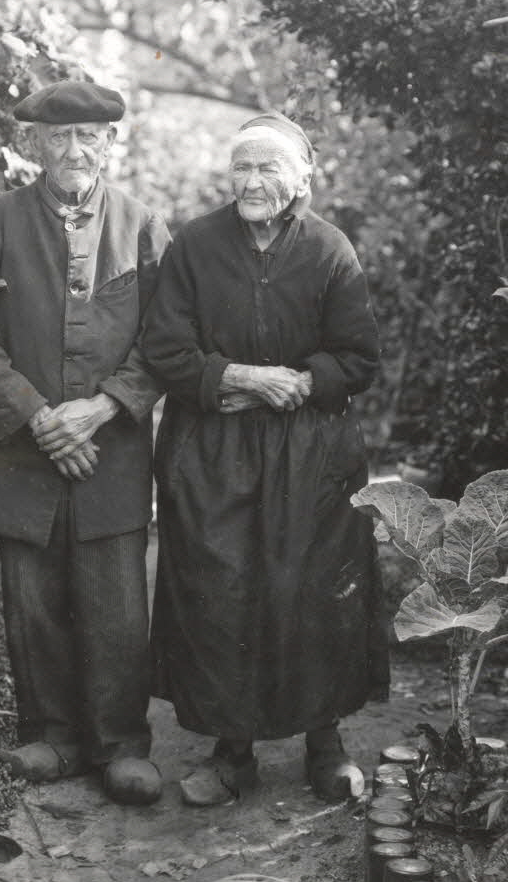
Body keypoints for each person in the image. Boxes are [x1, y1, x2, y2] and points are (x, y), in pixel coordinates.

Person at [141, 110, 390, 806]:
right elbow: (164, 350)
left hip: (310, 449)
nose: (251, 181)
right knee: (222, 589)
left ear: (301, 176)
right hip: (213, 448)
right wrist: (247, 379)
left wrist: (298, 384)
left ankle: (325, 744)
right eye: (241, 167)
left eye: (267, 167)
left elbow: (359, 356)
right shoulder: (194, 245)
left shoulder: (330, 250)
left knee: (312, 588)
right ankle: (231, 753)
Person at [0, 79, 170, 805]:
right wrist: (41, 416)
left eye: (89, 138)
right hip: (22, 447)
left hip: (111, 448)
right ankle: (49, 734)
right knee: (33, 593)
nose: (75, 150)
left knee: (114, 599)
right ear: (33, 146)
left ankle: (121, 744)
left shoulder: (144, 227)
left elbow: (166, 341)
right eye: (60, 138)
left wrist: (102, 409)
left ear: (109, 144)